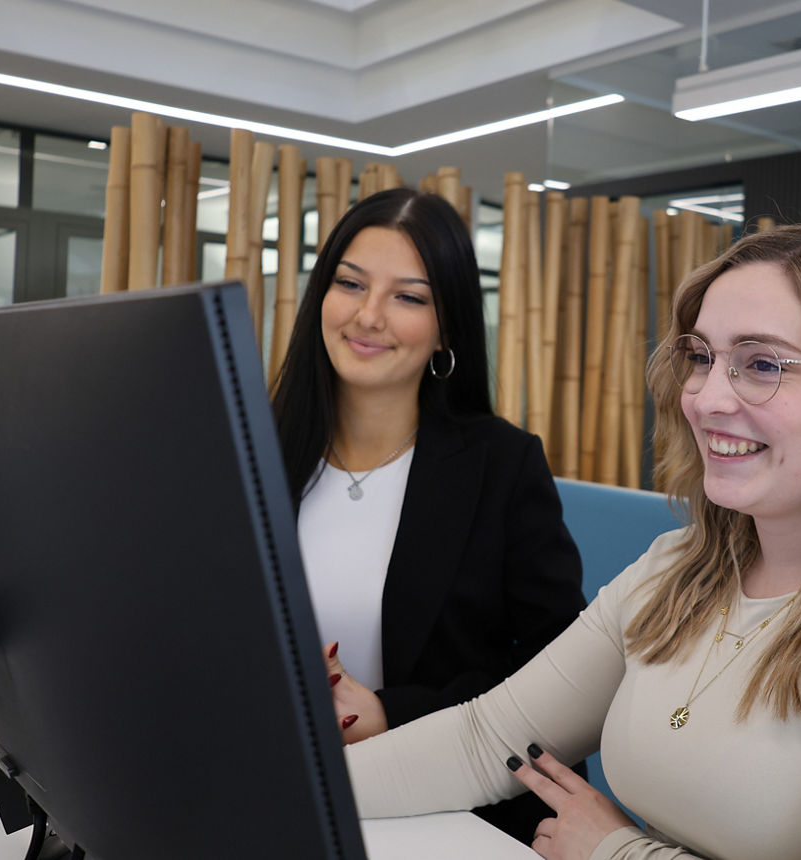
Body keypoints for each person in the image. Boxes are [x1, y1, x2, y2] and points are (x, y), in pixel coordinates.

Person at [335, 224, 801, 859]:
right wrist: (274, 787)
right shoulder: (678, 571)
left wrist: (617, 852)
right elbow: (485, 740)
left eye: (762, 364)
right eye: (702, 356)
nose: (706, 397)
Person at [271, 187, 586, 844]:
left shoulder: (502, 466)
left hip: (444, 814)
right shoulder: (254, 451)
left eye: (408, 297)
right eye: (349, 284)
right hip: (273, 788)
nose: (368, 315)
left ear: (448, 326)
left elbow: (566, 677)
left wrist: (389, 711)